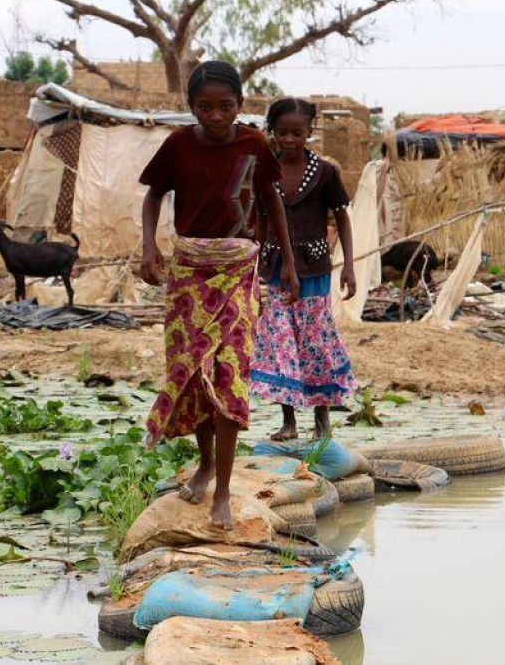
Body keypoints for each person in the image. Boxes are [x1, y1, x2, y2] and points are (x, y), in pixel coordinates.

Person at [138, 61, 299, 530]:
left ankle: (223, 489)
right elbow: (153, 195)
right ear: (191, 108)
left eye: (225, 106)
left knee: (228, 374)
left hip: (239, 273)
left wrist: (286, 261)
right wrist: (149, 245)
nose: (215, 115)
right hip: (188, 272)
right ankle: (205, 464)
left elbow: (271, 201)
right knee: (192, 374)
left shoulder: (254, 145)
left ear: (240, 106)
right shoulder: (177, 145)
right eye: (204, 106)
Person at [251, 97, 358, 440]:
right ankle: (289, 422)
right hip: (275, 266)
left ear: (309, 131)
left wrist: (350, 266)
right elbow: (260, 220)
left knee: (314, 340)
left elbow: (341, 215)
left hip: (313, 268)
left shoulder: (325, 172)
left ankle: (322, 420)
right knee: (282, 341)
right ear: (273, 132)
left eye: (297, 133)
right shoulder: (264, 170)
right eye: (282, 133)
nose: (289, 140)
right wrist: (254, 267)